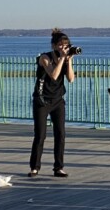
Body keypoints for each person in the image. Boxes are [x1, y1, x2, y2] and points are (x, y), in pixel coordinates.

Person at [30, 29, 77, 178]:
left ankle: (59, 167)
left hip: (58, 100)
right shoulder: (45, 58)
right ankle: (35, 167)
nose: (64, 48)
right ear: (54, 46)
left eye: (66, 45)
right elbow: (54, 75)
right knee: (40, 135)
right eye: (61, 45)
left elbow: (71, 79)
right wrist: (63, 58)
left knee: (60, 134)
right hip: (42, 100)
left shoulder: (66, 58)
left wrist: (68, 60)